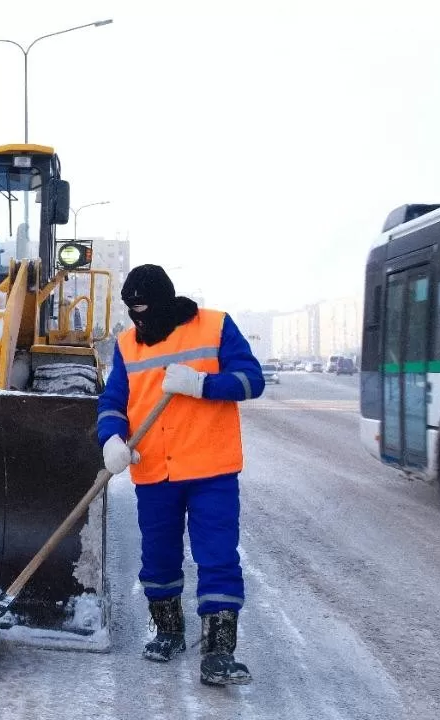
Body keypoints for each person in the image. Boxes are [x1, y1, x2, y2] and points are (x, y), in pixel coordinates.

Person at [95, 264, 264, 687]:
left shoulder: (215, 326)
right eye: (131, 312)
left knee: (218, 557)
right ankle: (168, 630)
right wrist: (112, 440)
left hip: (211, 469)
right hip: (154, 470)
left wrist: (202, 384)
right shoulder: (127, 345)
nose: (139, 320)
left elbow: (251, 380)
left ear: (166, 303)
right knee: (158, 558)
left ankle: (219, 651)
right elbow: (113, 401)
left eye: (145, 310)